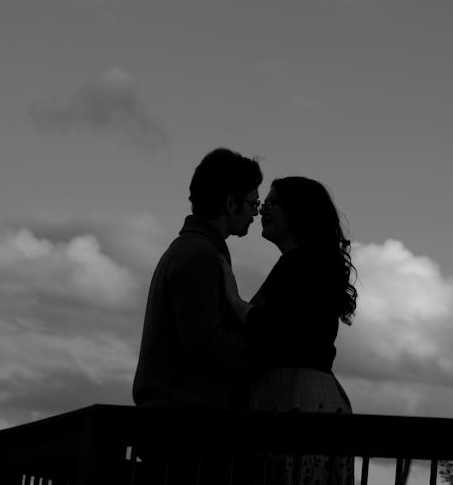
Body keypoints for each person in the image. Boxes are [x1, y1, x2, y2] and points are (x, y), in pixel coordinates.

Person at [222, 176, 357, 485]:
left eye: (273, 202)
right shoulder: (310, 264)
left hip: (293, 396)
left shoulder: (300, 264)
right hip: (312, 395)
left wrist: (234, 301)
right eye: (262, 203)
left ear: (298, 210)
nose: (263, 210)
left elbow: (279, 333)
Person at [132, 148, 263, 409]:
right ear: (231, 203)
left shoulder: (190, 249)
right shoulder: (199, 254)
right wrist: (261, 347)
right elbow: (205, 344)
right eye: (253, 204)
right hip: (183, 430)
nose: (256, 214)